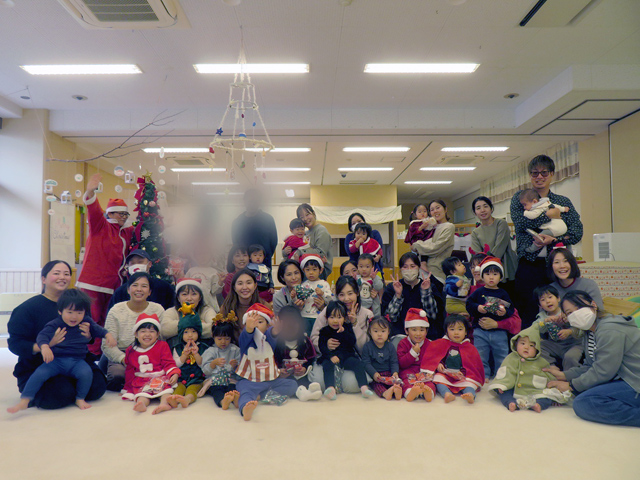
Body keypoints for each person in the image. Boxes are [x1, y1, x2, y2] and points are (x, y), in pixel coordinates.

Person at [8, 261, 107, 410]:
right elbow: (15, 344)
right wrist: (46, 345)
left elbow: (90, 334)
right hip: (42, 362)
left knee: (97, 388)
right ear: (43, 279)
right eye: (56, 273)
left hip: (75, 359)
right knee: (58, 395)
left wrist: (88, 336)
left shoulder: (79, 304)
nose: (62, 277)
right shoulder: (27, 308)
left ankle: (73, 388)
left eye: (66, 274)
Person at [545, 291, 640, 427]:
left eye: (579, 307)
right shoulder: (589, 332)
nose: (576, 314)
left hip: (634, 381)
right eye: (570, 313)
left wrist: (571, 385)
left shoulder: (609, 329)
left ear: (593, 305)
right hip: (622, 378)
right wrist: (564, 375)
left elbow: (603, 371)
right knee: (585, 393)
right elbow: (590, 366)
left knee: (583, 403)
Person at [510, 155, 583, 327]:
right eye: (535, 173)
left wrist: (554, 239)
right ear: (530, 175)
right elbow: (521, 223)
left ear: (551, 174)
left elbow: (577, 232)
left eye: (544, 172)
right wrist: (551, 215)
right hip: (529, 264)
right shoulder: (521, 198)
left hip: (557, 266)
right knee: (528, 313)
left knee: (561, 312)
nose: (539, 177)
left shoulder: (562, 201)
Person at [77, 173, 134, 355]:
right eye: (121, 213)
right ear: (110, 213)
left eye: (126, 214)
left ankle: (104, 353)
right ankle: (90, 353)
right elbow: (93, 210)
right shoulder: (100, 226)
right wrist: (90, 192)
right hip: (92, 283)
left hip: (114, 285)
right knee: (91, 319)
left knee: (108, 319)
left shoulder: (125, 233)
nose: (124, 217)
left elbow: (141, 229)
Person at [101, 272, 165, 391]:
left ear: (150, 292)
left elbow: (161, 339)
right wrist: (125, 359)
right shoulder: (116, 310)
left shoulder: (158, 309)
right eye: (135, 285)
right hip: (122, 354)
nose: (139, 289)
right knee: (118, 376)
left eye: (144, 286)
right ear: (128, 289)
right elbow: (107, 345)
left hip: (150, 353)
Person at [235, 304, 298, 421]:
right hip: (250, 381)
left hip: (270, 380)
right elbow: (246, 335)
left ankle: (260, 395)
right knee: (245, 392)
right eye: (252, 321)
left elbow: (271, 334)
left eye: (260, 322)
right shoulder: (246, 340)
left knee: (292, 385)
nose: (255, 324)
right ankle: (245, 409)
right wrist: (249, 328)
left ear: (267, 325)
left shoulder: (268, 339)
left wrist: (276, 330)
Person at [489, 324, 568, 412]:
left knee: (545, 397)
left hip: (533, 390)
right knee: (504, 393)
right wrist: (502, 384)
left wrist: (555, 393)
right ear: (516, 344)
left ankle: (538, 405)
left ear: (537, 349)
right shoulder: (511, 358)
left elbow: (548, 376)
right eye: (522, 343)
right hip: (514, 387)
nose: (526, 347)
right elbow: (506, 372)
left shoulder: (541, 362)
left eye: (531, 345)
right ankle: (511, 403)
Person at [466, 257, 516, 379]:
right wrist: (478, 308)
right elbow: (469, 304)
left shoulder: (503, 293)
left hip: (499, 332)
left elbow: (510, 309)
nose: (491, 277)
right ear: (482, 276)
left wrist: (504, 312)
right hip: (480, 330)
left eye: (495, 274)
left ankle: (501, 376)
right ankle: (484, 375)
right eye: (487, 274)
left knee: (501, 354)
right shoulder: (478, 292)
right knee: (481, 355)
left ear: (501, 277)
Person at [122, 313, 181, 414]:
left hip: (160, 378)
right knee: (141, 395)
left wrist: (174, 373)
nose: (147, 334)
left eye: (152, 331)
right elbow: (130, 370)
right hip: (141, 380)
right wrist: (127, 388)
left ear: (158, 334)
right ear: (136, 334)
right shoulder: (130, 350)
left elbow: (168, 362)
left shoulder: (162, 345)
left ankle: (164, 403)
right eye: (143, 331)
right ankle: (142, 404)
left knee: (166, 392)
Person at [421, 315, 485, 404]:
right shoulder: (441, 343)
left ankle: (470, 394)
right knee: (438, 379)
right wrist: (438, 364)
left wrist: (462, 372)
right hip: (446, 374)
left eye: (460, 329)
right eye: (452, 329)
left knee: (470, 384)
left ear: (466, 332)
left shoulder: (470, 348)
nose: (456, 333)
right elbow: (435, 357)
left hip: (463, 376)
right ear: (446, 331)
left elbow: (473, 367)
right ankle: (447, 394)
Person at [318, 301, 374, 400]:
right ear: (326, 318)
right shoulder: (324, 331)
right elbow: (322, 346)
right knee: (327, 366)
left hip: (346, 356)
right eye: (332, 317)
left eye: (339, 317)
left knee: (358, 364)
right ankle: (330, 388)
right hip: (331, 357)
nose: (335, 321)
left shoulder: (347, 328)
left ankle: (364, 387)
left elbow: (352, 342)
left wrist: (344, 333)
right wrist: (330, 356)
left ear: (345, 318)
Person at [381, 252, 442, 339]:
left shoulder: (430, 286)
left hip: (425, 335)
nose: (409, 270)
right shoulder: (392, 287)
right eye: (405, 267)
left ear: (418, 268)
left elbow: (433, 315)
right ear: (400, 269)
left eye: (412, 266)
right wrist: (398, 295)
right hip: (400, 334)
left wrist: (425, 292)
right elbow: (390, 318)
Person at [310, 275, 372, 357]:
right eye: (342, 295)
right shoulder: (328, 311)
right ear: (337, 296)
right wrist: (325, 344)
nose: (346, 298)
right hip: (331, 358)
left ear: (357, 293)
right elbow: (314, 337)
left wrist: (354, 323)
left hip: (355, 360)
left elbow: (364, 348)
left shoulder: (367, 314)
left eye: (350, 293)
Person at [273, 306, 321, 401]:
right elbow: (272, 361)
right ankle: (302, 392)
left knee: (307, 381)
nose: (290, 328)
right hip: (284, 377)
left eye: (294, 324)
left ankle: (310, 390)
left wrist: (305, 368)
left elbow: (311, 358)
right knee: (290, 384)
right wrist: (279, 371)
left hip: (302, 374)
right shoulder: (276, 341)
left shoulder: (305, 340)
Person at [533, 285, 583, 370]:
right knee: (538, 347)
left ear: (558, 298)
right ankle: (551, 366)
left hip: (573, 343)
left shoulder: (566, 311)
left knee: (570, 357)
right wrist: (545, 322)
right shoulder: (542, 316)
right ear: (540, 305)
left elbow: (580, 328)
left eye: (550, 297)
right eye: (543, 300)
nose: (548, 301)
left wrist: (569, 330)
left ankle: (568, 374)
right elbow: (535, 328)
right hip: (555, 344)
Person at [107, 249, 175, 311]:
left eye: (140, 262)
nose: (136, 265)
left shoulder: (164, 287)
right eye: (132, 263)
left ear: (149, 264)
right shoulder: (120, 292)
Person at [469, 196, 517, 282]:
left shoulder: (501, 223)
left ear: (491, 209)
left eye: (485, 206)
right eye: (478, 208)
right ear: (475, 212)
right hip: (486, 272)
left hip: (506, 266)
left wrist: (488, 265)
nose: (482, 210)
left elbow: (500, 247)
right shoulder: (475, 232)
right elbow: (477, 254)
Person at [200, 312, 242, 410]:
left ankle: (235, 399)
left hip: (230, 378)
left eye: (227, 339)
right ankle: (223, 401)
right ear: (213, 336)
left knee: (233, 388)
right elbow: (205, 370)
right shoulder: (210, 351)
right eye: (219, 339)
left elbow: (241, 369)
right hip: (215, 379)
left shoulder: (235, 350)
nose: (223, 342)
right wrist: (213, 363)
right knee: (217, 390)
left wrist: (235, 366)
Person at [160, 278, 216, 348]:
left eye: (194, 294)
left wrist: (180, 326)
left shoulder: (207, 310)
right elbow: (164, 330)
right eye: (184, 294)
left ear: (200, 297)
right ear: (178, 298)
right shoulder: (171, 311)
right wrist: (197, 323)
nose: (189, 298)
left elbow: (214, 329)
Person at [170, 304, 208, 408]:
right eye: (186, 332)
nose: (190, 335)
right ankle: (174, 399)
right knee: (179, 388)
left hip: (197, 379)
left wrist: (196, 354)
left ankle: (187, 399)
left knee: (192, 389)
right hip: (181, 378)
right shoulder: (177, 348)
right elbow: (176, 364)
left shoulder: (203, 347)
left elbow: (203, 365)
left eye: (193, 331)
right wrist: (184, 355)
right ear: (181, 334)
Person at [411, 199, 455, 287]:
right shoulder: (430, 226)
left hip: (436, 273)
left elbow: (435, 248)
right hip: (420, 272)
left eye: (438, 208)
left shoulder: (448, 227)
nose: (435, 211)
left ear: (445, 209)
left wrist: (416, 245)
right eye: (432, 210)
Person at [232, 188, 278, 268]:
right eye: (249, 201)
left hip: (264, 263)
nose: (252, 204)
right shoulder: (237, 222)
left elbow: (273, 242)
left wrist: (264, 256)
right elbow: (236, 243)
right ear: (244, 201)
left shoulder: (267, 219)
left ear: (259, 202)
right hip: (244, 264)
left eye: (255, 201)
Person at [396, 308, 436, 402]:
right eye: (414, 330)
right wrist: (413, 353)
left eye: (422, 330)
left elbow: (433, 360)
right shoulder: (403, 343)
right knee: (405, 382)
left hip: (422, 372)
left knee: (430, 383)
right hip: (407, 371)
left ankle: (428, 392)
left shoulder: (429, 344)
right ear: (406, 331)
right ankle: (410, 393)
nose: (418, 334)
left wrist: (434, 368)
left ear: (426, 331)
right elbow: (402, 363)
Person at [219, 269, 268, 341]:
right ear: (234, 287)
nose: (244, 287)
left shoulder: (264, 306)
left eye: (249, 283)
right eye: (240, 283)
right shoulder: (226, 307)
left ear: (255, 286)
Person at [519, 189, 571, 253]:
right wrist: (563, 209)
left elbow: (533, 215)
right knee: (564, 244)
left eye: (525, 205)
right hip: (562, 226)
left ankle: (531, 249)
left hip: (554, 228)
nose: (524, 207)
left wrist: (525, 213)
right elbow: (556, 206)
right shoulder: (546, 203)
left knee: (540, 237)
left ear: (534, 201)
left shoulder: (538, 208)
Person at [362, 317, 401, 400]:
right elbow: (366, 363)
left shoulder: (390, 346)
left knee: (398, 383)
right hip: (377, 376)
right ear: (370, 331)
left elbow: (394, 362)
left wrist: (395, 373)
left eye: (383, 331)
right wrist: (374, 374)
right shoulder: (367, 346)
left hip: (389, 374)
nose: (379, 334)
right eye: (376, 331)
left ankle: (396, 391)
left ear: (388, 332)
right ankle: (385, 393)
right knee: (377, 385)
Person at [295, 203, 333, 280]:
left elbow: (321, 253)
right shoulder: (305, 233)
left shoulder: (321, 230)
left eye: (307, 214)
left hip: (318, 272)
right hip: (306, 270)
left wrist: (300, 252)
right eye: (302, 217)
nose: (305, 219)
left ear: (314, 214)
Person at [299, 254, 333, 335]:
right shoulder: (303, 285)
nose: (311, 272)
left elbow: (330, 299)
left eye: (314, 269)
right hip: (304, 316)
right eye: (307, 270)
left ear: (320, 270)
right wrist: (295, 296)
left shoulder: (324, 284)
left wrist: (323, 294)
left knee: (317, 335)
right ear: (304, 271)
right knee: (306, 336)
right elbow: (299, 300)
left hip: (318, 316)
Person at [185, 243, 224, 311]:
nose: (202, 256)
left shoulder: (213, 272)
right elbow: (185, 287)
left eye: (205, 253)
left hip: (209, 306)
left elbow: (215, 291)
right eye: (199, 254)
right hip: (192, 305)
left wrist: (220, 282)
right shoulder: (191, 271)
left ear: (210, 255)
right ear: (195, 256)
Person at [404, 203, 437, 272]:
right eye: (419, 212)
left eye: (424, 211)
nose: (422, 213)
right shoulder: (414, 223)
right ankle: (422, 263)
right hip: (417, 242)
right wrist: (421, 227)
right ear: (415, 214)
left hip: (427, 242)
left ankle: (423, 263)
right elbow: (413, 232)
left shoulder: (429, 221)